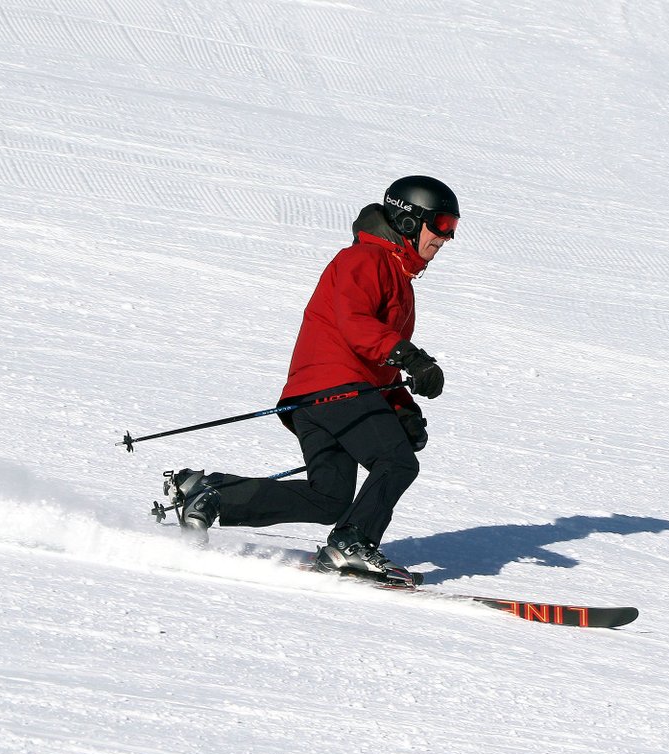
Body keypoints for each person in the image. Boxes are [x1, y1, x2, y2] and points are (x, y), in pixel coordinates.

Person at [165, 175, 458, 587]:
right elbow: (356, 325)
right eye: (441, 224)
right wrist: (411, 356)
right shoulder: (364, 260)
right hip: (337, 388)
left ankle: (212, 494)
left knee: (329, 497)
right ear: (409, 220)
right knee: (395, 462)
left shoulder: (398, 278)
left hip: (318, 395)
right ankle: (351, 544)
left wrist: (401, 406)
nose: (446, 238)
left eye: (453, 228)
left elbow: (373, 355)